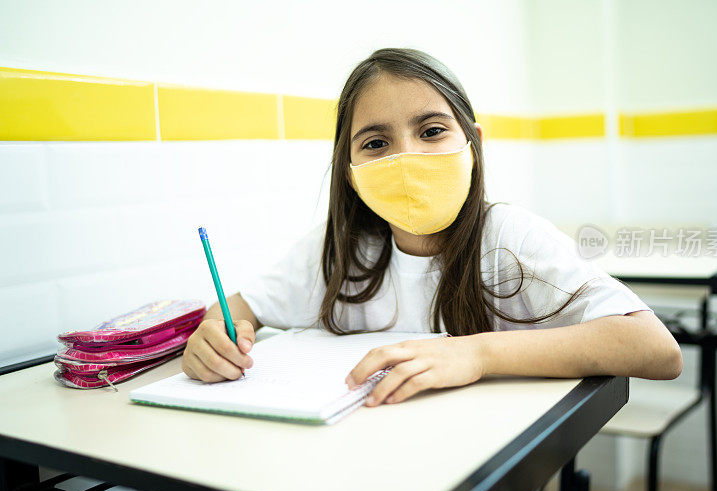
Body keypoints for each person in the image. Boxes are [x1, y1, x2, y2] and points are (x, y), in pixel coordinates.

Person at [182, 48, 682, 408]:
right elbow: (238, 311)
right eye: (375, 143)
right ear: (350, 171)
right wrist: (213, 336)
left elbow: (655, 349)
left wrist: (477, 353)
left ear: (473, 143)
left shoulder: (510, 239)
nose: (407, 158)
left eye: (432, 131)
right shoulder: (340, 252)